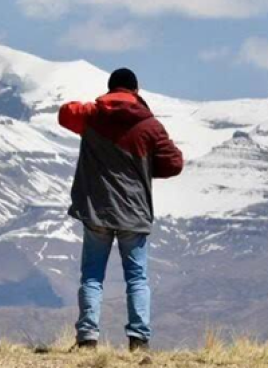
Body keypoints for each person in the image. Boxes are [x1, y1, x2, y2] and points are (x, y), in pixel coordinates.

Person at [58, 68, 184, 353]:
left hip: (97, 209)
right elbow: (174, 163)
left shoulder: (92, 115)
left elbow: (65, 113)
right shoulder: (150, 126)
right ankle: (139, 341)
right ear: (136, 91)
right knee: (137, 278)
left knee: (92, 276)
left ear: (110, 89)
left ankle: (87, 338)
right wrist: (145, 167)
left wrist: (96, 105)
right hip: (134, 212)